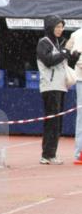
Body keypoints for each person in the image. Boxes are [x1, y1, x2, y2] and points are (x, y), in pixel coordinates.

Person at [37, 15, 79, 165]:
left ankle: (51, 153)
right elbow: (48, 61)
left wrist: (73, 56)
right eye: (57, 27)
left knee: (57, 122)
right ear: (50, 27)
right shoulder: (44, 42)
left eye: (61, 27)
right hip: (50, 86)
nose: (60, 30)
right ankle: (46, 154)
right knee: (52, 121)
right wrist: (64, 53)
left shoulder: (57, 43)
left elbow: (63, 62)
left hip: (60, 86)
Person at [65, 25, 82, 162]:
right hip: (81, 79)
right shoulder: (77, 34)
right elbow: (67, 52)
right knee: (81, 116)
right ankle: (80, 152)